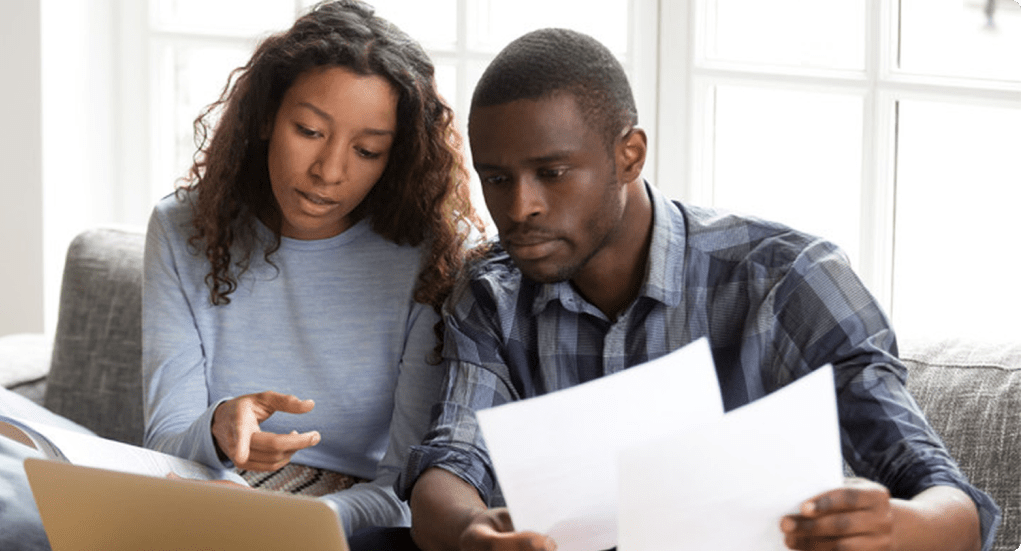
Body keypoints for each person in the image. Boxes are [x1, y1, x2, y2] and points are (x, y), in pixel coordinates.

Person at [395, 28, 1000, 551]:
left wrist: (904, 528)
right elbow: (451, 462)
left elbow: (950, 503)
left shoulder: (789, 280)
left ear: (629, 155)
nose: (520, 206)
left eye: (552, 174)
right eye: (497, 178)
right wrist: (471, 530)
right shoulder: (492, 293)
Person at [141, 0, 481, 543]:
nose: (329, 172)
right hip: (209, 500)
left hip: (353, 525)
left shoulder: (431, 255)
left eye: (367, 150)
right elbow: (162, 445)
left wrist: (300, 521)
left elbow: (410, 489)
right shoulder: (182, 229)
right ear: (265, 119)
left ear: (396, 158)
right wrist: (217, 427)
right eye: (309, 130)